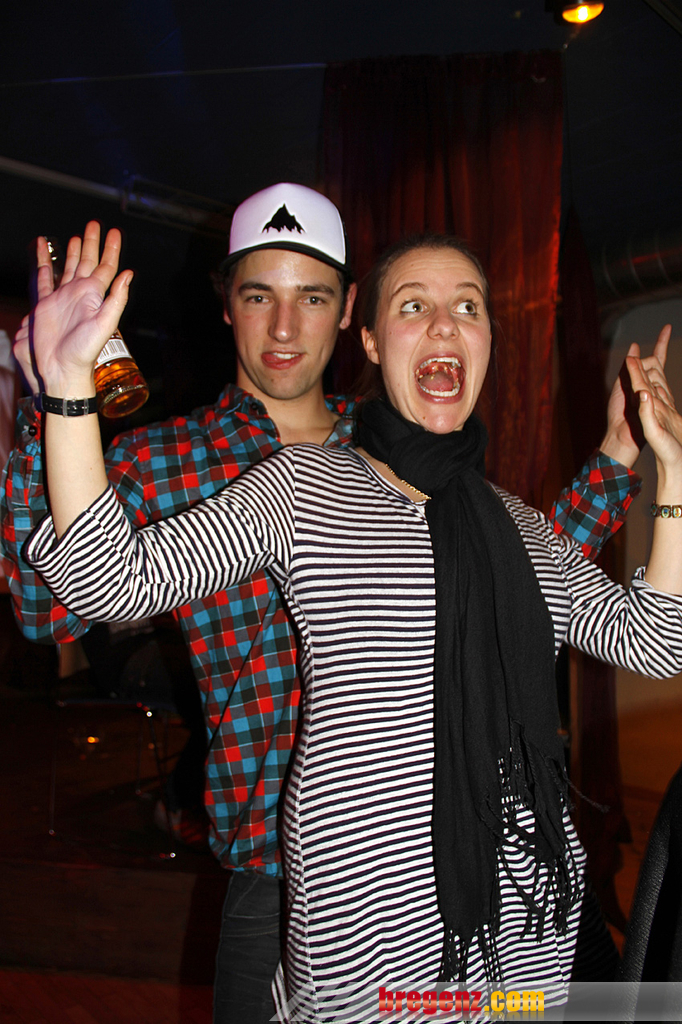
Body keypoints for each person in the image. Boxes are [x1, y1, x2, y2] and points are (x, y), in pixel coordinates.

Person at [0, 207, 656, 1018]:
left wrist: (621, 455)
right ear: (226, 303)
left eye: (311, 297)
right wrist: (55, 402)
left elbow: (520, 587)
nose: (284, 325)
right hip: (276, 869)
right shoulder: (161, 459)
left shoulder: (403, 444)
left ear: (349, 314)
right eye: (258, 295)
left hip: (449, 856)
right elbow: (52, 608)